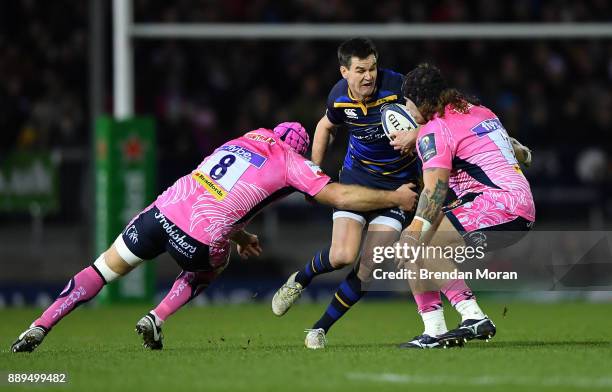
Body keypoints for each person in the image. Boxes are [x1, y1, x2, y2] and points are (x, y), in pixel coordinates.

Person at [11, 122, 417, 353]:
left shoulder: (245, 139)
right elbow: (338, 194)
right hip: (201, 237)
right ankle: (157, 316)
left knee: (102, 268)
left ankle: (40, 326)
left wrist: (240, 235)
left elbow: (221, 192)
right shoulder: (292, 162)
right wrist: (394, 196)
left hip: (164, 209)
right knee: (213, 265)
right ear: (300, 149)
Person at [271, 38, 422, 349]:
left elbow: (433, 123)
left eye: (373, 68)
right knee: (342, 255)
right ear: (344, 72)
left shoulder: (398, 87)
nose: (369, 76)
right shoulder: (338, 98)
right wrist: (314, 171)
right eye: (360, 70)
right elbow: (325, 126)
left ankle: (320, 328)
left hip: (398, 186)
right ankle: (300, 279)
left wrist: (416, 134)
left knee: (370, 265)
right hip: (356, 180)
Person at [391, 63, 535, 348]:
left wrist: (415, 231)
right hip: (517, 205)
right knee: (416, 248)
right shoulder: (478, 110)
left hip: (496, 203)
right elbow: (515, 149)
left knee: (420, 241)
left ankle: (473, 317)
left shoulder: (435, 130)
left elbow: (435, 189)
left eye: (408, 103)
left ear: (421, 101)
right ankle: (434, 332)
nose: (407, 111)